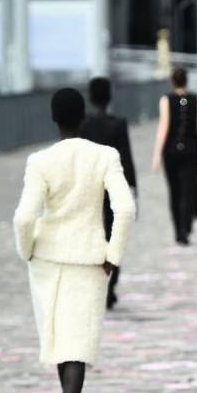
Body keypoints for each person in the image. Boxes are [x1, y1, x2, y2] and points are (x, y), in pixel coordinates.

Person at [13, 88, 136, 393]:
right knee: (77, 348)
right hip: (88, 259)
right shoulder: (105, 156)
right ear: (82, 118)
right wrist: (113, 255)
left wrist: (27, 249)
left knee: (59, 345)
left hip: (47, 259)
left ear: (54, 119)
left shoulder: (40, 161)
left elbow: (23, 217)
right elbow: (126, 208)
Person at [80, 77, 137, 308]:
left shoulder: (83, 126)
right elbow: (127, 160)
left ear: (91, 98)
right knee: (114, 238)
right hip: (113, 189)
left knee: (92, 238)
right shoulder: (118, 124)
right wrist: (133, 190)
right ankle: (110, 286)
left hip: (89, 190)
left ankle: (96, 285)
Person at [151, 67, 197, 244]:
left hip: (170, 150)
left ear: (172, 81)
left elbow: (163, 127)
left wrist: (156, 154)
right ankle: (186, 227)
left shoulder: (166, 100)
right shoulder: (196, 98)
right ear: (187, 81)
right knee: (188, 189)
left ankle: (178, 230)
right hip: (191, 150)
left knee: (175, 191)